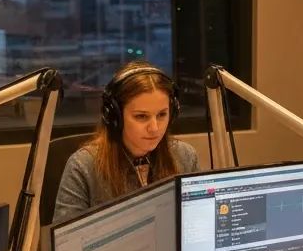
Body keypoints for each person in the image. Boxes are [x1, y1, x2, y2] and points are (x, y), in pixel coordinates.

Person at [53, 63, 200, 222]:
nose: (154, 128)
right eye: (141, 116)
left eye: (162, 115)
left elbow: (198, 224)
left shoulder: (185, 156)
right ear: (115, 117)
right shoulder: (83, 166)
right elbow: (67, 244)